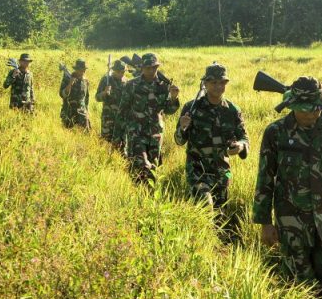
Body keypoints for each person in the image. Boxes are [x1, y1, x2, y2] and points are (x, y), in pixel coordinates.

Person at [252, 76, 322, 299]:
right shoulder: (275, 132)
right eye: (305, 110)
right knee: (298, 283)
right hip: (291, 220)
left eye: (317, 109)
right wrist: (264, 222)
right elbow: (265, 177)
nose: (312, 114)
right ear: (291, 106)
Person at [174, 63, 248, 226]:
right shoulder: (192, 107)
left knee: (220, 215)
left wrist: (240, 146)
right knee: (205, 205)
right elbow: (179, 141)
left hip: (222, 172)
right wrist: (182, 127)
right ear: (205, 84)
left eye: (221, 82)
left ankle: (217, 246)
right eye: (213, 82)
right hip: (197, 170)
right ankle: (203, 242)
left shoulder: (232, 110)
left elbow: (244, 138)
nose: (218, 86)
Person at [115, 52, 180, 186]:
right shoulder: (132, 85)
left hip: (155, 133)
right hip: (136, 132)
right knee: (141, 164)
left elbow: (168, 110)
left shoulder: (163, 86)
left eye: (154, 67)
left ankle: (150, 196)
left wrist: (173, 98)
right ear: (142, 68)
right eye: (148, 68)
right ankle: (137, 193)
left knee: (154, 167)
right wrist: (118, 136)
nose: (151, 71)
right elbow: (122, 111)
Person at [95, 59, 128, 147]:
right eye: (120, 72)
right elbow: (97, 98)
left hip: (122, 120)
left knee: (122, 144)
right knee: (106, 143)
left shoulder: (126, 82)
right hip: (108, 119)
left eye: (123, 72)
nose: (122, 74)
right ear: (114, 71)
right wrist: (104, 92)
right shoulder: (106, 80)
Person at [59, 59, 90, 130]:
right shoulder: (67, 78)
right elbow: (62, 94)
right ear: (76, 69)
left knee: (85, 134)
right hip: (68, 112)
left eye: (84, 70)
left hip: (82, 113)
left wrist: (87, 112)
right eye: (81, 70)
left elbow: (86, 98)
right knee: (67, 135)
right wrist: (70, 84)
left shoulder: (85, 81)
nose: (83, 72)